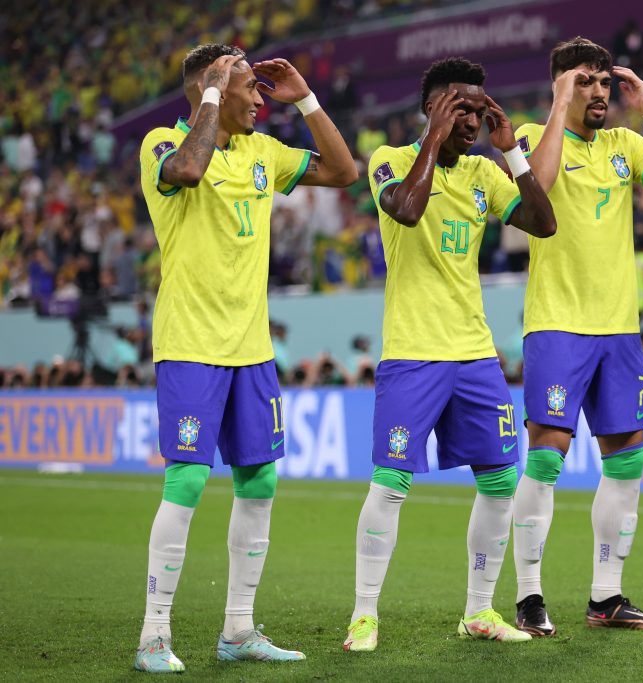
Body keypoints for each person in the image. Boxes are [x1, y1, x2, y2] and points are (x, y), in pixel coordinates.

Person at [134, 44, 358, 672]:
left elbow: (343, 172)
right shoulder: (162, 144)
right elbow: (187, 171)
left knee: (260, 481)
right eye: (248, 86)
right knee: (187, 479)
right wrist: (211, 92)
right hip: (190, 343)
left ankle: (238, 629)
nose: (261, 97)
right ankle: (153, 636)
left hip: (252, 348)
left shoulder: (263, 151)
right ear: (209, 87)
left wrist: (306, 100)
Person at [344, 57, 556, 653]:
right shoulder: (390, 160)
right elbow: (407, 209)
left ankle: (479, 610)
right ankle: (364, 615)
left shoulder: (485, 173)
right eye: (462, 108)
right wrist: (434, 140)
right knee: (391, 483)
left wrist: (511, 152)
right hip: (413, 352)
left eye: (480, 108)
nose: (474, 119)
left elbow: (543, 223)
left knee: (500, 481)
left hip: (475, 354)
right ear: (432, 109)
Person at [510, 37, 643, 635]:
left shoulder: (625, 144)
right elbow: (537, 189)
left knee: (626, 462)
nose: (598, 91)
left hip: (619, 330)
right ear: (560, 85)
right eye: (584, 81)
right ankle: (529, 597)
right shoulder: (530, 136)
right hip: (558, 325)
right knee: (547, 458)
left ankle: (606, 597)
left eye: (602, 81)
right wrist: (557, 104)